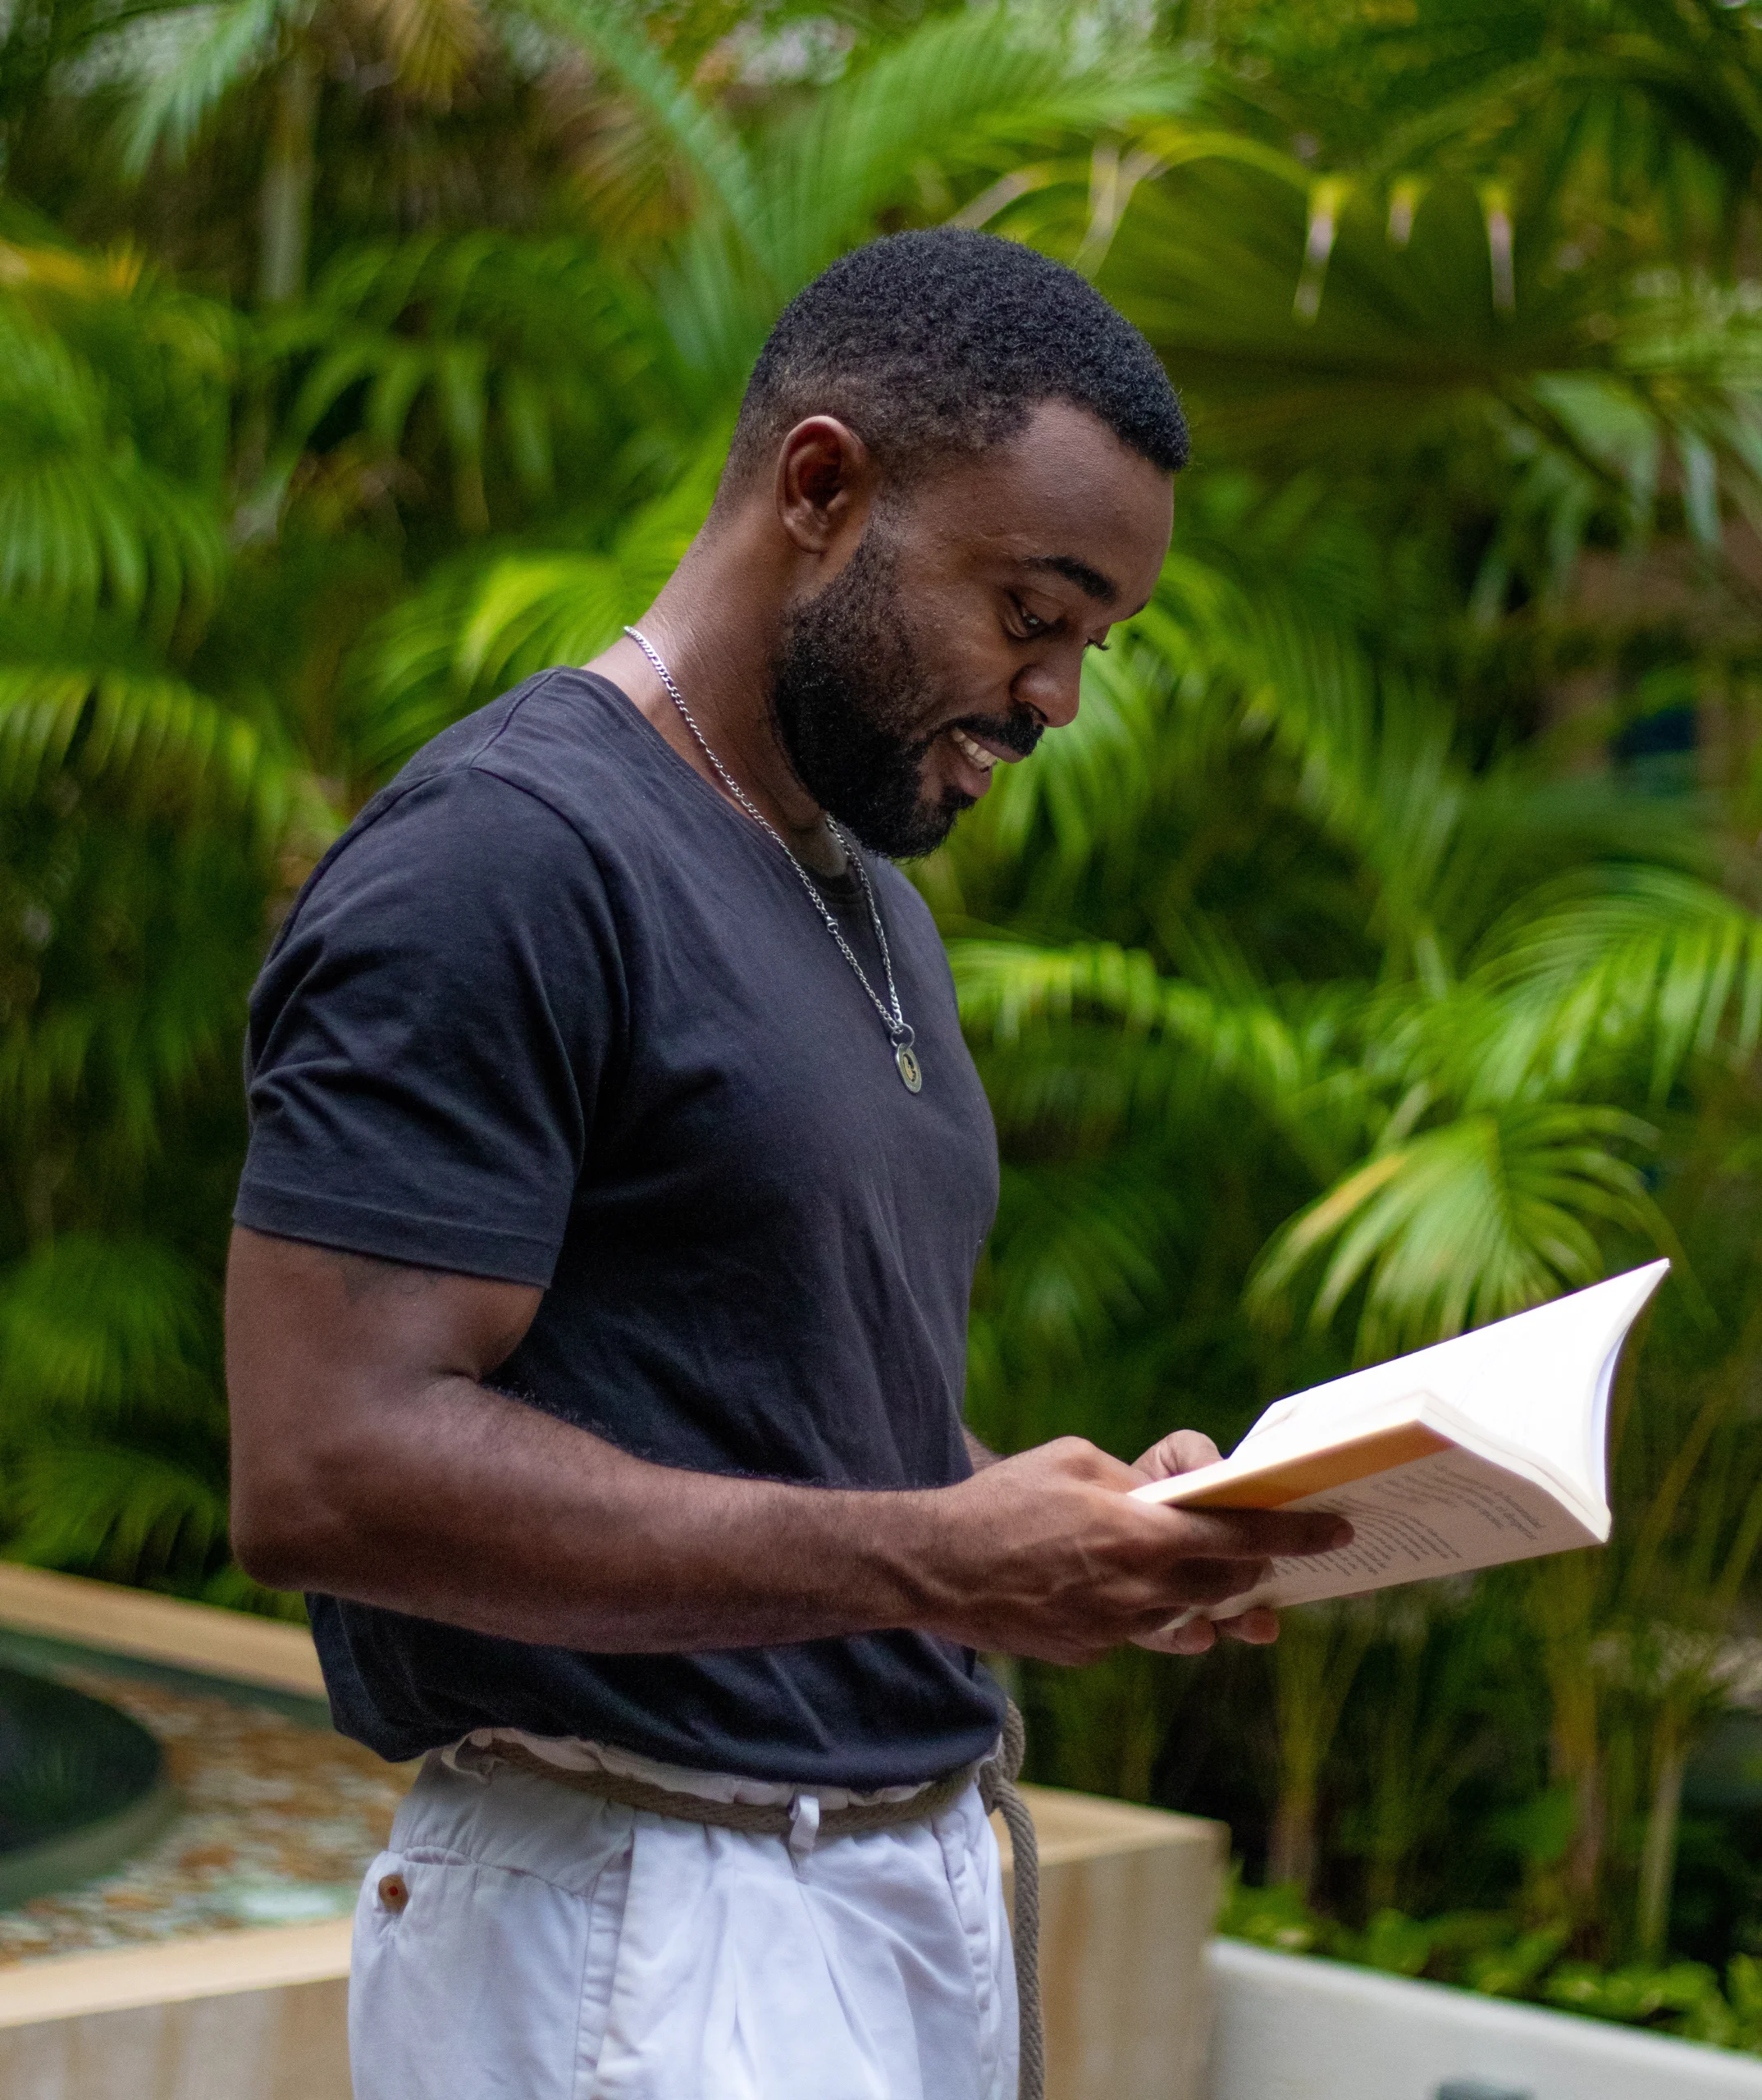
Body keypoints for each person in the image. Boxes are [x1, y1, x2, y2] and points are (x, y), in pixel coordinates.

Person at [223, 226, 1349, 2100]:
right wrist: (934, 1550)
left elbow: (769, 1421)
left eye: (1091, 641)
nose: (1056, 698)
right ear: (823, 486)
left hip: (886, 1891)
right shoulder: (506, 858)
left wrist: (1072, 1532)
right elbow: (330, 1465)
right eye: (1031, 609)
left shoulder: (862, 898)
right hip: (648, 1925)